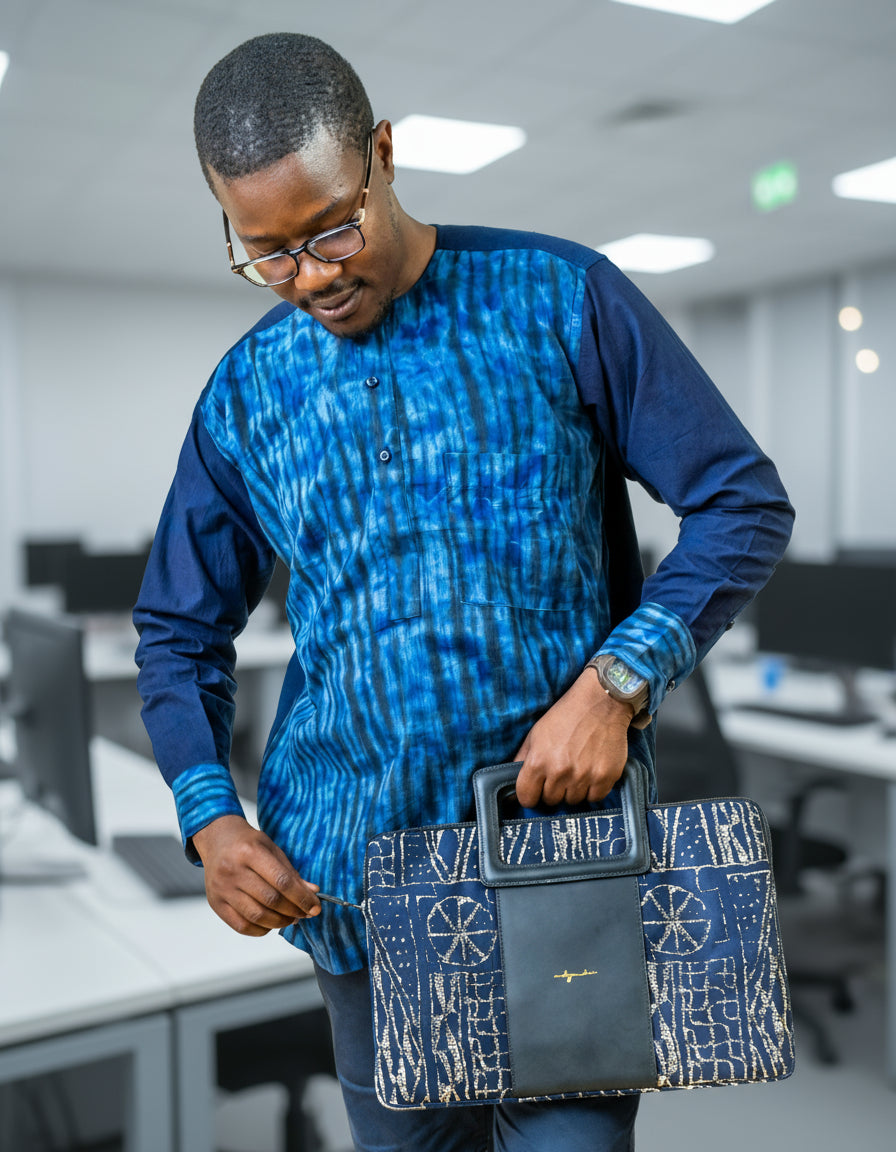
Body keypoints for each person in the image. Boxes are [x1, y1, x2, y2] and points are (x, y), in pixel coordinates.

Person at [133, 31, 794, 1152]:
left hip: (560, 865)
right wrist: (207, 819)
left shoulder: (557, 299)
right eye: (269, 253)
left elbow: (740, 504)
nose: (312, 277)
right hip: (353, 887)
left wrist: (615, 683)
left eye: (330, 228)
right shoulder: (248, 392)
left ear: (382, 154)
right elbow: (177, 629)